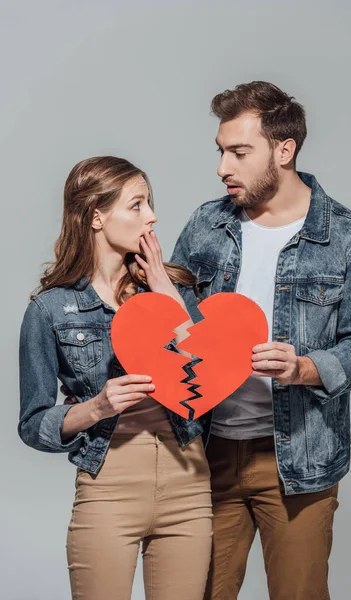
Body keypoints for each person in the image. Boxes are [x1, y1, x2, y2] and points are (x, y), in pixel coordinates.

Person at [170, 81, 351, 600]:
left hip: (298, 463)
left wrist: (304, 368)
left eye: (239, 152)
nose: (223, 166)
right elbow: (170, 322)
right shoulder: (206, 225)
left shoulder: (348, 238)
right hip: (206, 453)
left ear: (284, 150)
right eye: (221, 151)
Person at [18, 156, 212, 600]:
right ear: (97, 216)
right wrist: (97, 407)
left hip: (188, 478)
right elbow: (33, 424)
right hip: (109, 484)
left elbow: (209, 371)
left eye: (150, 203)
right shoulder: (49, 310)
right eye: (137, 205)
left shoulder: (171, 290)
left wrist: (164, 289)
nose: (152, 216)